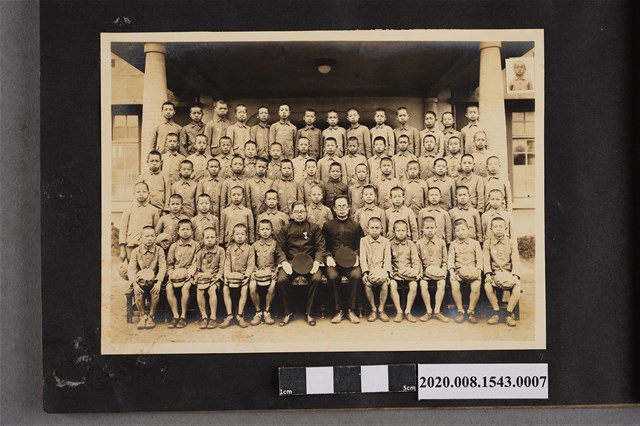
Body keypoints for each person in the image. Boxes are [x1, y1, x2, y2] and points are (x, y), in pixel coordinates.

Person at [275, 202, 327, 326]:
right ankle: (287, 312)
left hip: (310, 263)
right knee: (281, 280)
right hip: (291, 263)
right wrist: (284, 262)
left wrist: (317, 262)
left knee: (316, 279)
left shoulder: (314, 228)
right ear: (292, 214)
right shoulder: (285, 229)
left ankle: (309, 312)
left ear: (306, 213)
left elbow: (321, 247)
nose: (299, 214)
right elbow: (279, 248)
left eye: (302, 211)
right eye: (296, 212)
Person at [323, 196, 365, 324]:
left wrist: (356, 256)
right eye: (339, 206)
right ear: (334, 209)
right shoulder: (328, 225)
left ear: (349, 208)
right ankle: (338, 310)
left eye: (344, 206)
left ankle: (351, 310)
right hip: (333, 262)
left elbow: (360, 244)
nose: (341, 209)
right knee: (332, 276)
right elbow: (322, 245)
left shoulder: (356, 226)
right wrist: (328, 256)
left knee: (356, 275)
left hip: (351, 262)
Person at [483, 216, 522, 327]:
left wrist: (515, 275)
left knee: (517, 286)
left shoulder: (511, 243)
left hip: (509, 273)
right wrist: (488, 274)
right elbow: (486, 260)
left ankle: (508, 314)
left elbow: (516, 260)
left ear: (505, 228)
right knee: (487, 286)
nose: (498, 229)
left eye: (501, 226)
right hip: (494, 273)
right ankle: (496, 312)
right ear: (491, 229)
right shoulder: (488, 243)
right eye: (495, 227)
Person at [127, 226, 166, 329]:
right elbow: (131, 269)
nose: (149, 238)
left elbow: (162, 267)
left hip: (154, 280)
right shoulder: (136, 251)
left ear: (155, 238)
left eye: (152, 236)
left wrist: (159, 282)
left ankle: (151, 317)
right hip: (140, 280)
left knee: (155, 290)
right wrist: (134, 283)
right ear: (141, 238)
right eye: (147, 236)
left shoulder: (159, 250)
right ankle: (142, 316)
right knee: (138, 290)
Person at [448, 218, 483, 324]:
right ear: (454, 232)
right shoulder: (453, 244)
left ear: (468, 229)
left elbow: (479, 259)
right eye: (458, 230)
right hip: (458, 272)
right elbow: (450, 260)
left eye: (463, 229)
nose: (461, 232)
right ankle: (460, 311)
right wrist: (452, 273)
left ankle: (471, 311)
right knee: (455, 285)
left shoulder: (475, 243)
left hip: (473, 271)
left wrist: (479, 271)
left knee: (476, 287)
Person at [220, 224, 256, 328]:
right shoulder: (229, 249)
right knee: (225, 288)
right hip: (231, 278)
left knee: (244, 289)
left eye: (242, 234)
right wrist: (226, 277)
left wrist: (247, 277)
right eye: (237, 234)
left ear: (246, 236)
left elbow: (251, 265)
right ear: (233, 236)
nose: (240, 236)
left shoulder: (250, 249)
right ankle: (229, 315)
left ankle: (240, 315)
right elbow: (227, 264)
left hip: (243, 277)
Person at [166, 219, 199, 328]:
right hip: (176, 275)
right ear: (178, 232)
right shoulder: (174, 246)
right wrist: (171, 274)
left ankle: (183, 316)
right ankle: (175, 315)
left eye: (188, 229)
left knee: (185, 288)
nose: (185, 231)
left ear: (192, 231)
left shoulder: (196, 246)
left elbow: (196, 262)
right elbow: (170, 264)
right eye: (183, 229)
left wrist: (190, 274)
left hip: (189, 275)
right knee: (169, 288)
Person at [416, 217, 449, 323]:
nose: (429, 230)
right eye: (427, 228)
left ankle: (437, 311)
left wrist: (444, 272)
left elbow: (445, 260)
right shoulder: (419, 243)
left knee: (441, 283)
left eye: (432, 228)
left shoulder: (441, 242)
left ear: (436, 228)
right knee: (423, 284)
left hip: (438, 273)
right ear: (422, 229)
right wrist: (420, 272)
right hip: (425, 273)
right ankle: (429, 311)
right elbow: (418, 260)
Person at [359, 217, 392, 322]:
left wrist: (386, 273)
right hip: (370, 270)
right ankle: (373, 309)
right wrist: (365, 273)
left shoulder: (386, 241)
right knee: (367, 284)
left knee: (384, 284)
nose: (374, 230)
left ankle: (381, 309)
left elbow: (387, 258)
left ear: (381, 229)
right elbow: (362, 258)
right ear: (367, 229)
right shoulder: (363, 241)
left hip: (381, 270)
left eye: (377, 228)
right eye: (372, 228)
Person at [389, 220, 421, 322]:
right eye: (398, 230)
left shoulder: (411, 244)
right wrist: (390, 271)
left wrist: (416, 271)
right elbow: (388, 260)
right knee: (392, 285)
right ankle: (399, 311)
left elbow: (415, 260)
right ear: (394, 232)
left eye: (403, 230)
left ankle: (408, 311)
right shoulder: (390, 244)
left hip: (409, 273)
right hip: (395, 274)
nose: (401, 233)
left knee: (413, 285)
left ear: (407, 231)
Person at [193, 227, 225, 329]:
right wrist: (198, 277)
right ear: (203, 239)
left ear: (216, 239)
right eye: (207, 237)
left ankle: (213, 317)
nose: (210, 240)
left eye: (212, 237)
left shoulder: (221, 251)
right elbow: (197, 268)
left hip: (216, 278)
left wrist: (217, 277)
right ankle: (204, 316)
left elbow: (222, 268)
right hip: (203, 279)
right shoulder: (200, 252)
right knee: (200, 290)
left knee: (212, 289)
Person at [119, 182, 160, 261]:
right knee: (131, 266)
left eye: (144, 191)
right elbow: (123, 229)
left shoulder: (154, 210)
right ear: (134, 194)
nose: (141, 194)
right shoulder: (128, 209)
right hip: (131, 245)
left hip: (148, 246)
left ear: (148, 193)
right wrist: (122, 249)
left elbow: (156, 230)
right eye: (138, 192)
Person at [249, 219, 279, 326]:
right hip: (258, 273)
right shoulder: (254, 245)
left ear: (272, 230)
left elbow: (279, 260)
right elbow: (251, 261)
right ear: (258, 231)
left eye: (267, 229)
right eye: (262, 229)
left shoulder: (276, 244)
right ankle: (258, 312)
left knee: (272, 286)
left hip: (271, 272)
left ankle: (267, 312)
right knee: (252, 287)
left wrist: (275, 271)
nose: (265, 231)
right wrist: (254, 271)